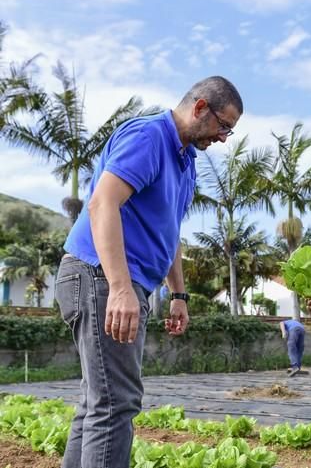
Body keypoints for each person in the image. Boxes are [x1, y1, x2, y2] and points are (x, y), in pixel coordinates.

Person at [54, 76, 243, 468]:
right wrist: (121, 288)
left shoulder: (185, 160)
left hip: (115, 280)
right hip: (98, 275)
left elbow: (169, 232)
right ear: (200, 107)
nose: (224, 138)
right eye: (223, 126)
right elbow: (102, 204)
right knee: (115, 403)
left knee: (98, 401)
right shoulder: (150, 136)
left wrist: (178, 295)